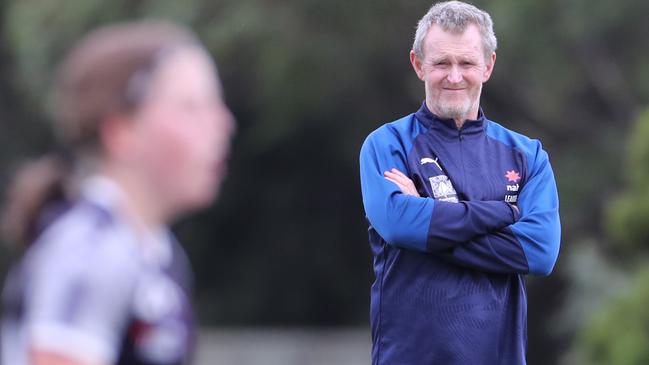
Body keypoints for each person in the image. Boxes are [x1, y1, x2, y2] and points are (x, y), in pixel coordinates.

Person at [0, 21, 234, 365]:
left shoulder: (156, 254)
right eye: (191, 106)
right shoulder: (91, 252)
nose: (223, 123)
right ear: (122, 131)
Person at [359, 1, 560, 364]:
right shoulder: (386, 145)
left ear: (488, 66)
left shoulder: (528, 156)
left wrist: (428, 218)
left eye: (466, 62)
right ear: (419, 65)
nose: (454, 76)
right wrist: (505, 212)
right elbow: (398, 224)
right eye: (441, 63)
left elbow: (541, 252)